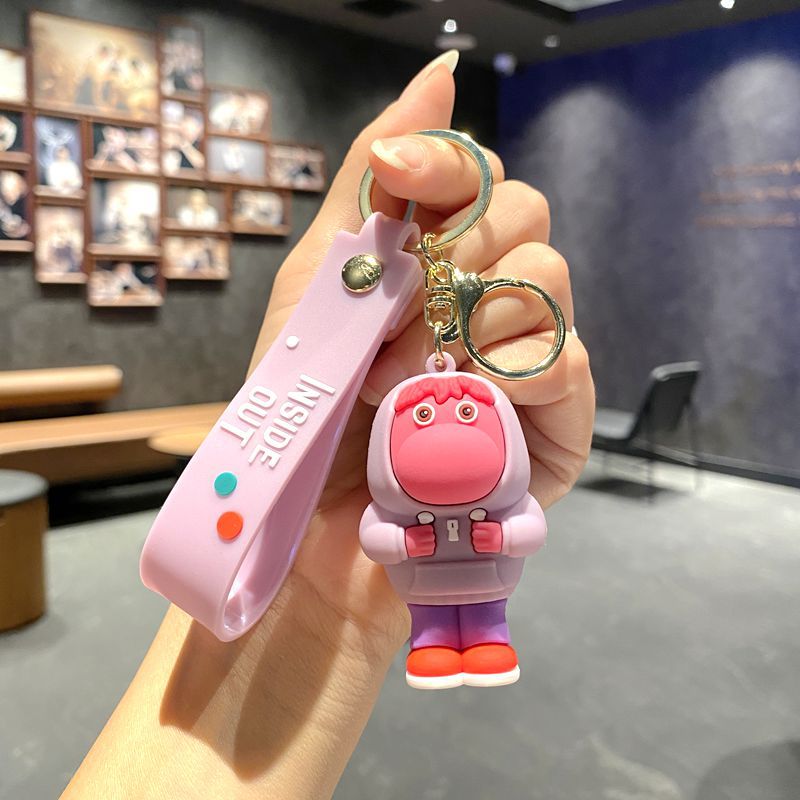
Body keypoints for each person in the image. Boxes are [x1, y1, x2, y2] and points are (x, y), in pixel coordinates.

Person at [62, 51, 594, 799]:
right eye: (431, 415)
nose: (444, 425)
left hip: (456, 571)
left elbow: (519, 524)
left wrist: (476, 534)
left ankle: (480, 635)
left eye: (464, 415)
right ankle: (436, 641)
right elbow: (386, 532)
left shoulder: (462, 464)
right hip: (396, 561)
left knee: (483, 617)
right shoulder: (387, 471)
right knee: (438, 625)